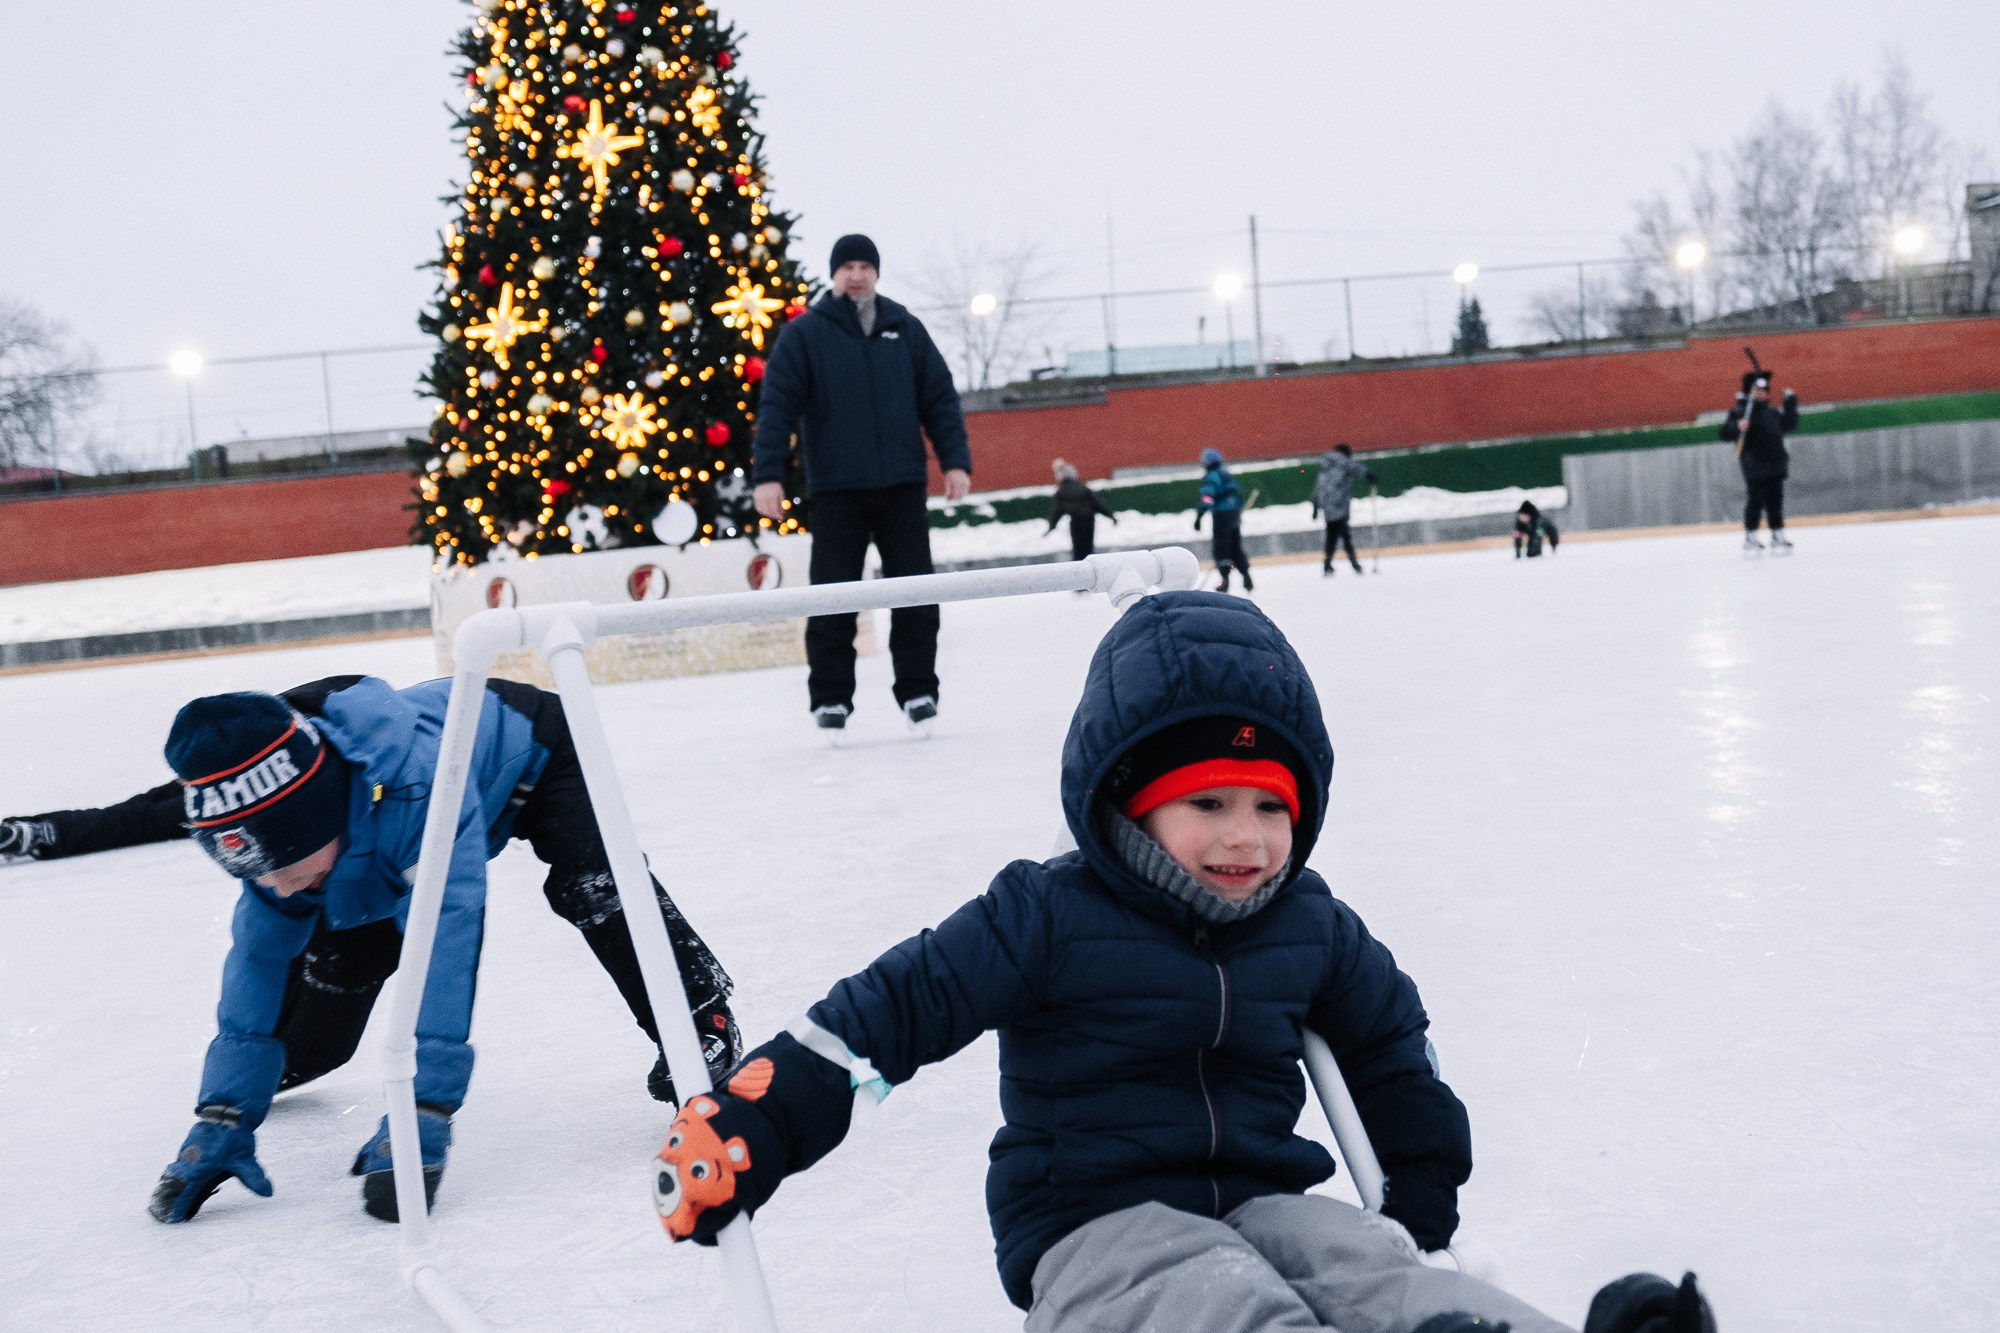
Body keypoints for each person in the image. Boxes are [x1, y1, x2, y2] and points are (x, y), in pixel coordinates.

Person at [646, 592, 1716, 1333]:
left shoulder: (1307, 918)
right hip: (1094, 1235)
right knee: (1219, 1302)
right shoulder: (1046, 912)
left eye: (1269, 807)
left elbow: (1388, 1037)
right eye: (1207, 804)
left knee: (1368, 1270)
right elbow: (893, 1010)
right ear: (1129, 798)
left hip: (1261, 1199)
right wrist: (760, 1117)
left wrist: (1419, 1184)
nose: (1244, 837)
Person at [140, 676, 740, 1226]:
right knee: (345, 954)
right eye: (252, 871)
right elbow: (257, 962)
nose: (275, 886)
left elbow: (445, 948)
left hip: (538, 751)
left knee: (592, 882)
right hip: (368, 834)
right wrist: (223, 1115)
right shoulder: (282, 854)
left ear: (319, 819)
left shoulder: (419, 789)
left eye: (285, 864)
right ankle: (305, 1052)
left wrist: (422, 1109)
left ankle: (697, 1016)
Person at [751, 234, 972, 732]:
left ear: (876, 272)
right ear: (834, 274)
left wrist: (954, 462)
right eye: (847, 266)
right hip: (836, 491)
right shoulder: (805, 335)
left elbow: (939, 398)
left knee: (915, 594)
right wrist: (768, 476)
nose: (856, 274)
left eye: (864, 265)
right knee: (832, 597)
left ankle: (918, 690)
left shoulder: (904, 327)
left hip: (901, 487)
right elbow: (777, 407)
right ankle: (830, 698)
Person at [1719, 371, 1798, 554]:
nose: (1762, 394)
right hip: (1755, 464)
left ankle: (1778, 534)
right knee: (1756, 500)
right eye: (1758, 390)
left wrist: (1790, 403)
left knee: (1775, 501)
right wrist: (1736, 426)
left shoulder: (1771, 413)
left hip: (1775, 463)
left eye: (1765, 390)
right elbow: (1724, 433)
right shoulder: (1741, 412)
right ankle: (1751, 536)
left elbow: (1789, 424)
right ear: (1751, 392)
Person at [1310, 443, 1377, 576]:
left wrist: (1315, 507)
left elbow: (1318, 487)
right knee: (1345, 536)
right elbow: (1355, 467)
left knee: (1332, 537)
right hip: (1340, 505)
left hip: (1328, 508)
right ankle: (1355, 565)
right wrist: (1368, 474)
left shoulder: (1326, 467)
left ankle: (1327, 565)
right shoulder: (1343, 461)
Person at [1194, 447, 1253, 593]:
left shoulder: (1211, 477)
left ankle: (1224, 581)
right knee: (1235, 546)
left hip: (1222, 516)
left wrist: (1200, 515)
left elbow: (1208, 497)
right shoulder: (1226, 474)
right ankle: (1246, 576)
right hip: (1233, 515)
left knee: (1222, 548)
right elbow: (1237, 494)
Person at [1045, 459, 1118, 562]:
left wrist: (1052, 526)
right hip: (1089, 520)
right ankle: (1091, 565)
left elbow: (1058, 511)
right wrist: (1111, 516)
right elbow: (1097, 504)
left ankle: (1080, 568)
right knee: (1088, 546)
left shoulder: (1061, 491)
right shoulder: (1082, 487)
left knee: (1078, 547)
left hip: (1076, 521)